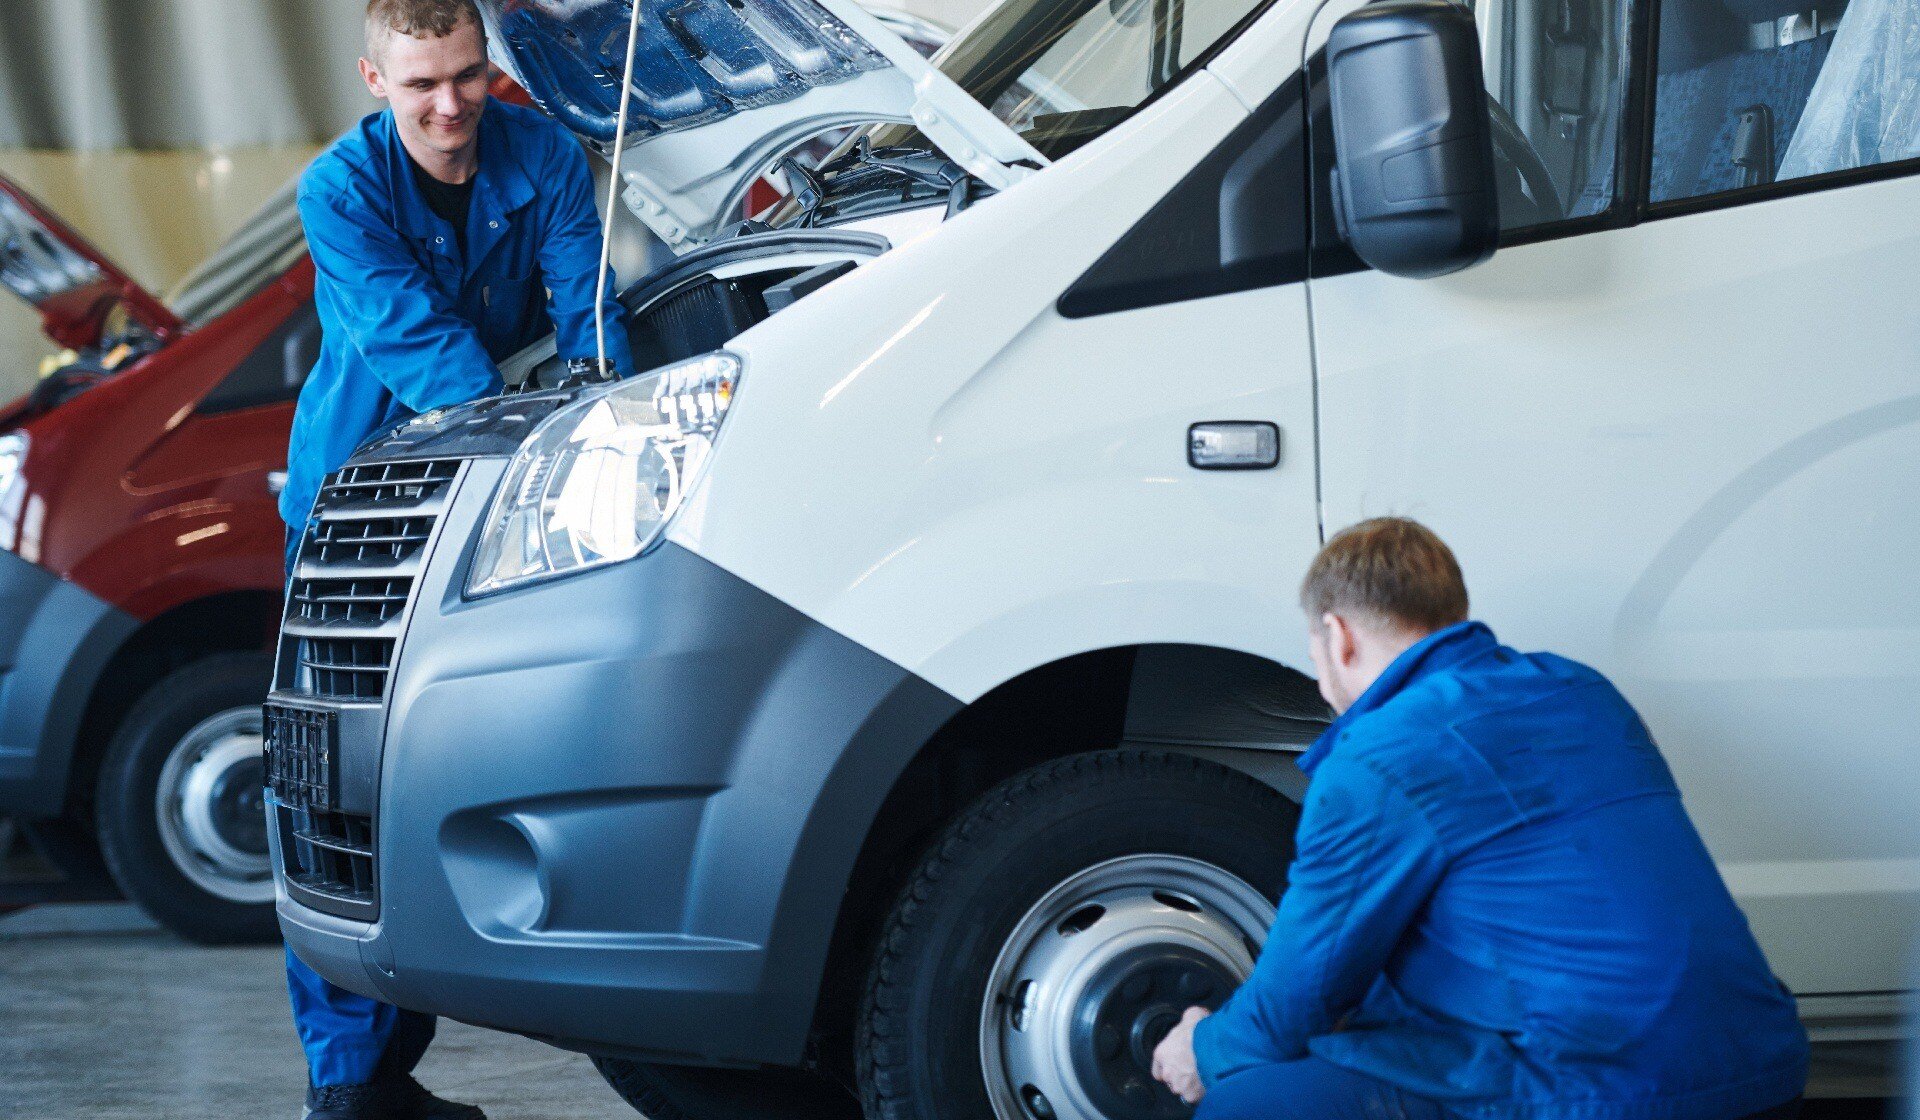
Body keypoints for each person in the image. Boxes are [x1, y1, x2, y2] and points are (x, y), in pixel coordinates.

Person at [1151, 517, 1809, 1120]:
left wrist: (1199, 1048)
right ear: (1450, 613)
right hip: (1762, 1067)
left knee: (1248, 1103)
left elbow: (1294, 1005)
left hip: (1614, 1094)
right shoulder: (1582, 690)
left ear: (1338, 636)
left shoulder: (1379, 756)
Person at [279, 2, 630, 1117]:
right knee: (337, 787)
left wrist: (609, 412)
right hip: (360, 509)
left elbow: (592, 322)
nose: (451, 106)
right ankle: (348, 1089)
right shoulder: (338, 191)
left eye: (470, 77)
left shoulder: (546, 153)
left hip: (490, 491)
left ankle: (391, 1073)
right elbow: (425, 352)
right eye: (423, 83)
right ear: (374, 79)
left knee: (450, 773)